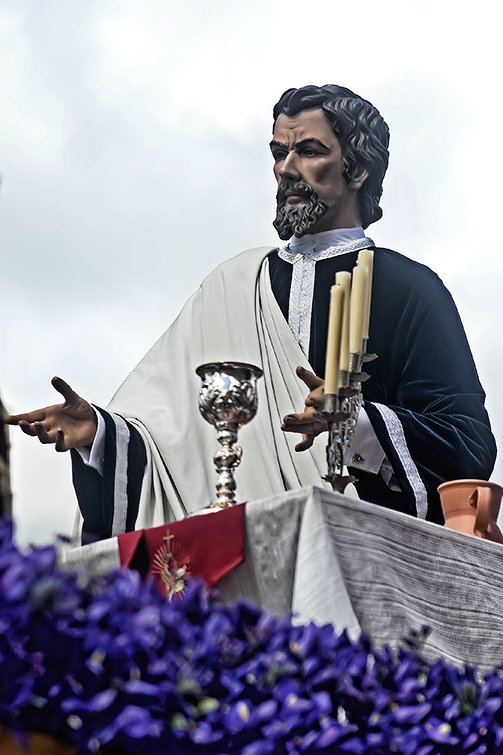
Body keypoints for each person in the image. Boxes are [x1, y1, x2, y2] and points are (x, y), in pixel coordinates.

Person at [6, 85, 496, 543]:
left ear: (358, 169)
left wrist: (356, 423)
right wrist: (99, 437)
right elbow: (170, 442)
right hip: (237, 559)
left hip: (355, 552)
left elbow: (466, 446)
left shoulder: (409, 289)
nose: (286, 168)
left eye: (308, 151)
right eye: (279, 153)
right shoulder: (233, 284)